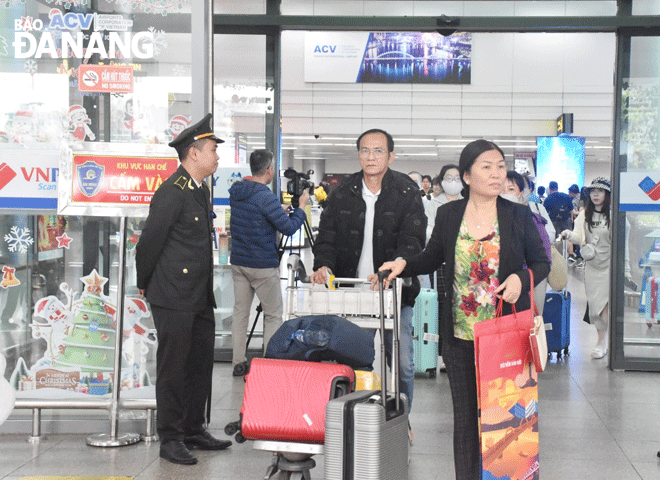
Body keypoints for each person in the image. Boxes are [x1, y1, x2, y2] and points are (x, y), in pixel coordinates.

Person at [378, 139, 549, 480]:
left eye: (500, 166)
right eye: (487, 167)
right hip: (460, 334)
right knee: (467, 421)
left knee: (508, 418)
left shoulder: (517, 214)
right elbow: (432, 257)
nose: (497, 173)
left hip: (505, 335)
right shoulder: (448, 213)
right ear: (467, 176)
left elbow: (541, 262)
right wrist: (402, 264)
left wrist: (520, 277)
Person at [311, 128, 426, 433]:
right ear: (358, 153)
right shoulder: (342, 191)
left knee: (400, 363)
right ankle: (348, 420)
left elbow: (413, 240)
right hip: (350, 291)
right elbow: (327, 238)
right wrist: (323, 265)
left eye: (378, 151)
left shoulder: (407, 192)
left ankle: (401, 421)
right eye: (364, 150)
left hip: (393, 291)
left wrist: (395, 267)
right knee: (349, 356)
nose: (370, 157)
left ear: (391, 155)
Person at [136, 114, 232, 465]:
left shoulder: (199, 191)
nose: (216, 157)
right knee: (174, 368)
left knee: (199, 365)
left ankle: (194, 428)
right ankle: (171, 438)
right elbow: (147, 245)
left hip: (198, 295)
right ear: (193, 153)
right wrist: (145, 283)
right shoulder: (172, 192)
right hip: (173, 295)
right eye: (212, 150)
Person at [229, 149, 309, 376]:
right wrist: (301, 208)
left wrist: (278, 210)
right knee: (273, 314)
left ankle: (238, 362)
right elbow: (289, 228)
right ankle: (268, 363)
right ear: (268, 170)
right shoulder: (265, 197)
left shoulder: (237, 191)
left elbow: (257, 214)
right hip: (262, 264)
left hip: (239, 263)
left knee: (240, 313)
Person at [561, 177, 612, 359]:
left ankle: (602, 341)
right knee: (594, 307)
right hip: (592, 267)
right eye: (593, 191)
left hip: (609, 267)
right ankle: (602, 339)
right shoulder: (585, 214)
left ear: (607, 194)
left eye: (600, 191)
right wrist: (569, 235)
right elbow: (578, 236)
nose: (596, 194)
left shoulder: (614, 215)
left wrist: (626, 270)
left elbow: (624, 246)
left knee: (604, 307)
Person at [502, 170, 554, 315]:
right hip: (498, 290)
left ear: (521, 194)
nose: (504, 193)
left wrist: (524, 279)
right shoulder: (488, 222)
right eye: (500, 189)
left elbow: (544, 261)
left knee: (527, 325)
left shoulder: (533, 220)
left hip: (528, 286)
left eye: (510, 189)